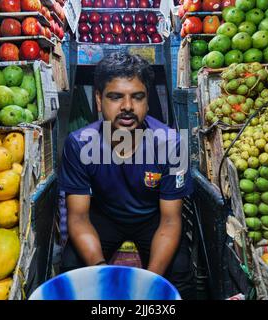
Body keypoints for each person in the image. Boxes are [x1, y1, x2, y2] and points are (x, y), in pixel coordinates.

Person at [58, 53, 195, 299]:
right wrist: (100, 272)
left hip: (153, 218)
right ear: (99, 100)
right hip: (104, 216)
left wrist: (149, 284)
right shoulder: (79, 144)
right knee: (71, 267)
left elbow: (171, 221)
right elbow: (78, 218)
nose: (127, 107)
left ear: (147, 102)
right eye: (115, 97)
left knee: (181, 275)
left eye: (137, 97)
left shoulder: (172, 143)